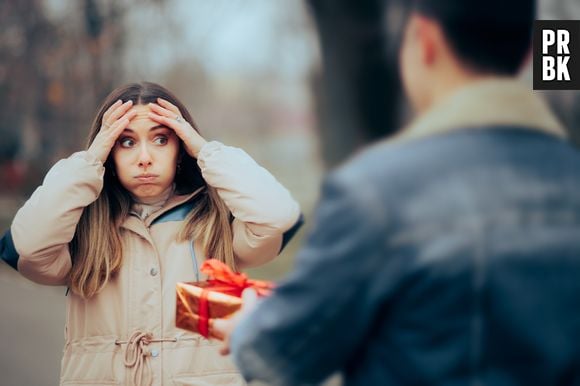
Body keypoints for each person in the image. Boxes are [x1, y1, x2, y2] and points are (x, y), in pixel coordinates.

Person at [214, 0, 580, 385]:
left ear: (424, 39)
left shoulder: (373, 192)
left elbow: (280, 353)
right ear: (526, 55)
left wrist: (250, 327)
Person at [0, 82, 301, 386]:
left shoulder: (215, 224)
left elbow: (278, 216)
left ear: (180, 149)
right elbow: (26, 247)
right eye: (126, 142)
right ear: (110, 153)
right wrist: (89, 161)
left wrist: (205, 150)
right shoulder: (81, 227)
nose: (144, 158)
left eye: (160, 139)